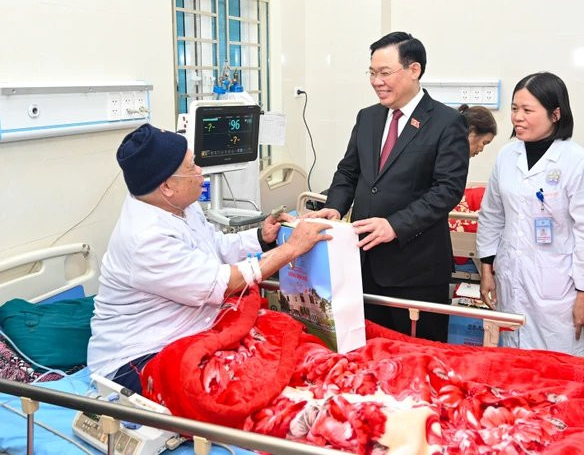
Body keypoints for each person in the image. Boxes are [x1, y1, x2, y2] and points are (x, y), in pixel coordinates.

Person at [87, 123, 330, 393]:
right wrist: (291, 249)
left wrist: (263, 237)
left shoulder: (179, 206)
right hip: (139, 357)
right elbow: (222, 283)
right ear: (167, 186)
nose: (200, 171)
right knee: (248, 386)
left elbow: (214, 246)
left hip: (192, 332)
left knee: (288, 344)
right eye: (192, 167)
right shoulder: (145, 239)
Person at [307, 31, 469, 341]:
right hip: (362, 264)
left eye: (384, 73)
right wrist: (335, 206)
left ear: (414, 70)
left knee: (418, 358)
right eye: (371, 73)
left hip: (415, 269)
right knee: (368, 353)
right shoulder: (368, 118)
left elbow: (447, 189)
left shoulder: (446, 122)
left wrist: (395, 225)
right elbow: (348, 171)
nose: (376, 81)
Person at [477, 72, 584, 357]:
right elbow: (492, 215)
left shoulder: (578, 162)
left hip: (561, 287)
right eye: (514, 108)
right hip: (511, 277)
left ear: (555, 114)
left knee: (559, 367)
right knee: (515, 359)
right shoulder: (507, 157)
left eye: (527, 110)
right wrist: (486, 269)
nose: (517, 117)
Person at [449, 104, 498, 236]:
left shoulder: (456, 158)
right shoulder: (447, 158)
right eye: (484, 143)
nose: (482, 149)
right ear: (471, 130)